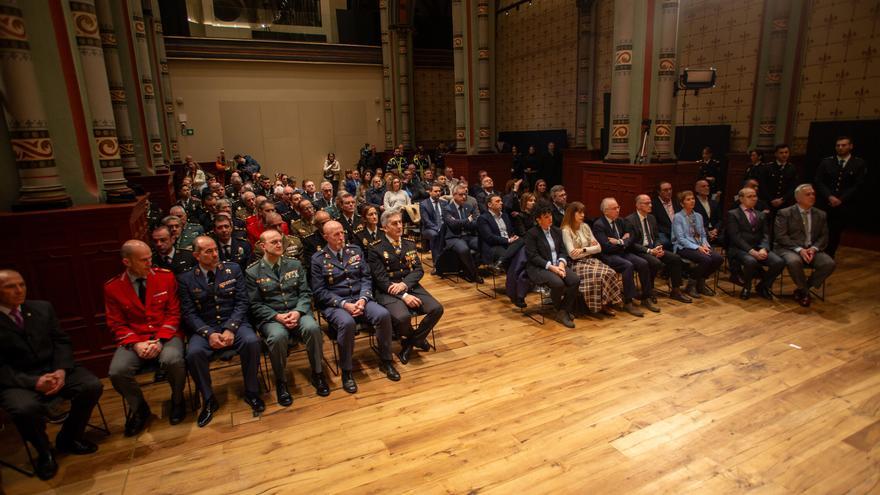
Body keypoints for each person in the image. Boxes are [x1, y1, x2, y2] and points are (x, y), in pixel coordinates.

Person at [0, 269, 103, 480]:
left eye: (22, 284)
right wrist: (34, 381)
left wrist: (61, 370)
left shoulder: (41, 308)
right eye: (10, 287)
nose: (19, 290)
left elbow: (61, 340)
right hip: (17, 380)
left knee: (91, 385)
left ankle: (70, 437)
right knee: (24, 408)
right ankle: (43, 450)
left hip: (54, 369)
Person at [177, 236, 264, 427]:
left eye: (215, 249)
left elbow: (242, 302)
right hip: (205, 327)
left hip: (234, 323)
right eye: (208, 251)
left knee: (251, 342)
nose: (215, 254)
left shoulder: (232, 269)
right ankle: (208, 400)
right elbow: (189, 313)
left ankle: (252, 391)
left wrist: (230, 329)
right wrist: (209, 333)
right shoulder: (186, 279)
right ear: (196, 255)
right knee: (194, 353)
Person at [105, 241, 186, 436]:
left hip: (165, 335)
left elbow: (174, 313)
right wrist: (136, 344)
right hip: (136, 339)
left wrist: (158, 340)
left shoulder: (165, 277)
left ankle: (177, 400)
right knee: (117, 371)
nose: (149, 262)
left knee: (172, 360)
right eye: (143, 260)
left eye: (150, 257)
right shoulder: (113, 287)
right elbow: (116, 323)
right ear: (127, 262)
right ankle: (140, 409)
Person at [310, 221, 400, 393]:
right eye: (335, 234)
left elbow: (366, 278)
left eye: (342, 233)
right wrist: (345, 304)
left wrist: (363, 299)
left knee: (382, 315)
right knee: (347, 323)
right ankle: (347, 370)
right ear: (325, 236)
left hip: (360, 299)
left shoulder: (355, 251)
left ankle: (386, 360)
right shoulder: (318, 259)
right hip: (336, 304)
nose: (340, 237)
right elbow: (319, 292)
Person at [247, 230, 329, 406]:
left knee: (313, 328)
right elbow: (255, 304)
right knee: (277, 337)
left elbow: (305, 293)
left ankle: (318, 373)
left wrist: (298, 311)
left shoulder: (294, 264)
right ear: (263, 246)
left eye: (280, 241)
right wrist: (277, 316)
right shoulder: (253, 272)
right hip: (272, 317)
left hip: (297, 311)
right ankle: (281, 381)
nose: (279, 245)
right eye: (274, 242)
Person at [368, 211, 444, 364]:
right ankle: (417, 339)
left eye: (400, 222)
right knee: (403, 317)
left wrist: (404, 285)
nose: (399, 226)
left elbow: (418, 270)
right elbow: (381, 280)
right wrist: (403, 295)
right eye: (394, 223)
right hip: (388, 291)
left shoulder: (409, 243)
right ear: (384, 228)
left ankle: (410, 343)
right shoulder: (375, 248)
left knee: (437, 309)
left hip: (410, 286)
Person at [774, 184, 836, 307]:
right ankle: (805, 293)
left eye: (813, 194)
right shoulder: (785, 213)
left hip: (812, 249)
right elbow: (781, 236)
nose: (812, 196)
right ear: (798, 198)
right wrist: (799, 249)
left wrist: (813, 249)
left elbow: (824, 237)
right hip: (789, 248)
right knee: (794, 262)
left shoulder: (821, 214)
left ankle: (803, 289)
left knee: (829, 264)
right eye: (808, 194)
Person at [592, 198, 656, 316]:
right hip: (608, 256)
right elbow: (606, 247)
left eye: (618, 207)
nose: (617, 210)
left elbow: (632, 237)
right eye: (614, 208)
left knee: (643, 263)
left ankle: (646, 297)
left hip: (622, 252)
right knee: (628, 265)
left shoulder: (620, 221)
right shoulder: (599, 225)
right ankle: (628, 302)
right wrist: (623, 242)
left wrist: (619, 242)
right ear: (605, 211)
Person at [624, 195, 692, 303]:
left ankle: (676, 291)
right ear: (638, 205)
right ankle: (649, 291)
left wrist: (658, 247)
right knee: (655, 263)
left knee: (675, 258)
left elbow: (656, 237)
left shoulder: (651, 218)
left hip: (653, 248)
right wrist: (650, 251)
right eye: (647, 203)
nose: (650, 205)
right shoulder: (629, 220)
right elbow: (632, 243)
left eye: (650, 202)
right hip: (640, 251)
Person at [560, 202, 622, 316]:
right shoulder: (566, 230)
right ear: (571, 214)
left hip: (590, 260)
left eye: (583, 212)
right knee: (598, 275)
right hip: (575, 263)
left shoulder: (585, 226)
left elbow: (598, 248)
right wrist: (590, 248)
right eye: (579, 212)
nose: (583, 215)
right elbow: (573, 255)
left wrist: (583, 250)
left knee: (610, 272)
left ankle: (605, 303)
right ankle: (596, 306)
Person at [523, 205, 580, 328]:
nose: (550, 219)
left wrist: (561, 264)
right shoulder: (531, 234)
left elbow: (563, 251)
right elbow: (533, 257)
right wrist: (552, 268)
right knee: (558, 283)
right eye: (546, 217)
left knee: (575, 280)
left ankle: (562, 311)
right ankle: (561, 310)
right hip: (539, 268)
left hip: (557, 265)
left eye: (551, 216)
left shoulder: (556, 231)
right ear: (538, 220)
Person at [726, 187, 785, 300]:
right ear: (741, 199)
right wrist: (751, 251)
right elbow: (735, 237)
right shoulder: (733, 214)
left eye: (755, 196)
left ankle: (763, 286)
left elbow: (766, 235)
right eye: (750, 196)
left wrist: (763, 248)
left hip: (758, 248)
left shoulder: (761, 215)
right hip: (740, 249)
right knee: (751, 261)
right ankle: (747, 287)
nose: (754, 199)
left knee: (779, 262)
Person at [814, 135, 867, 258]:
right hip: (826, 202)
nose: (840, 148)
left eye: (843, 145)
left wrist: (841, 199)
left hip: (844, 204)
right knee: (819, 229)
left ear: (850, 146)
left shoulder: (858, 163)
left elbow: (858, 185)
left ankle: (829, 254)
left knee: (835, 231)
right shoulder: (827, 161)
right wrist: (829, 196)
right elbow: (819, 180)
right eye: (838, 145)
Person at [672, 190, 724, 298]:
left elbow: (703, 235)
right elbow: (681, 239)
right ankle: (691, 285)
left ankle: (701, 282)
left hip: (700, 245)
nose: (692, 201)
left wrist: (705, 245)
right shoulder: (678, 217)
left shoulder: (698, 216)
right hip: (683, 246)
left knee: (718, 258)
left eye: (693, 199)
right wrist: (698, 247)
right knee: (706, 259)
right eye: (688, 199)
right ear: (682, 203)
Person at [442, 184, 483, 283]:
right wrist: (467, 220)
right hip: (454, 237)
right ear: (454, 195)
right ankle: (473, 274)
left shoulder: (468, 206)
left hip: (469, 235)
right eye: (461, 195)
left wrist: (464, 222)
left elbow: (476, 223)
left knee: (482, 245)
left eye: (465, 194)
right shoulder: (447, 208)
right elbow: (453, 224)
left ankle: (467, 269)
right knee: (464, 249)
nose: (464, 197)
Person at [477, 194, 520, 271]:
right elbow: (489, 237)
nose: (501, 203)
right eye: (498, 201)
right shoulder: (483, 218)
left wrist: (514, 237)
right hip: (494, 246)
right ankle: (513, 280)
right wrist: (508, 240)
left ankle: (500, 262)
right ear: (489, 204)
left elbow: (511, 231)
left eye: (501, 201)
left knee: (523, 244)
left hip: (508, 243)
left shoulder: (505, 216)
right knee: (513, 257)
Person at [759, 143, 798, 213]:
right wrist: (771, 199)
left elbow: (793, 186)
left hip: (785, 203)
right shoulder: (768, 167)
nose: (784, 155)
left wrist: (783, 199)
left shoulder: (792, 168)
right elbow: (763, 185)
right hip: (768, 202)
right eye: (781, 153)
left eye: (786, 152)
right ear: (776, 154)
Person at [420, 184, 447, 257]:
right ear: (430, 192)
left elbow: (448, 217)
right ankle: (436, 262)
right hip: (429, 228)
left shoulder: (444, 203)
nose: (438, 193)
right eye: (436, 191)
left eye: (439, 191)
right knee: (435, 235)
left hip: (443, 227)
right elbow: (426, 221)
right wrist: (438, 228)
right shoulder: (424, 204)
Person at [652, 181, 680, 249]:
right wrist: (671, 232)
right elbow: (654, 224)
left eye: (670, 189)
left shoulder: (677, 201)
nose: (669, 192)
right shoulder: (653, 204)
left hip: (678, 230)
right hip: (664, 231)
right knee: (664, 242)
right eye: (665, 190)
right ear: (659, 191)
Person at [694, 179, 722, 245]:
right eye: (703, 186)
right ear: (696, 189)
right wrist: (707, 232)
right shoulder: (693, 203)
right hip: (700, 231)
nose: (707, 188)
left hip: (715, 230)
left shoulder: (714, 203)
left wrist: (715, 230)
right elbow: (693, 222)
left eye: (708, 186)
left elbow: (720, 219)